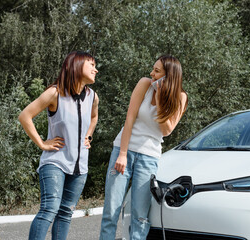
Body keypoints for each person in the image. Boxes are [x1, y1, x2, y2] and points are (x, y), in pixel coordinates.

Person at [99, 55, 188, 239]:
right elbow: (130, 118)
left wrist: (161, 96)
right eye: (153, 69)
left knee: (140, 216)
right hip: (124, 150)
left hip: (148, 158)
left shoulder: (180, 97)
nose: (151, 73)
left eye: (157, 71)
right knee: (111, 212)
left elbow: (166, 130)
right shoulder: (144, 84)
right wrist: (122, 154)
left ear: (169, 76)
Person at [18, 51, 99, 240]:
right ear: (77, 66)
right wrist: (42, 143)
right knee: (49, 209)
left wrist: (89, 135)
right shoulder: (55, 93)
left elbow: (93, 117)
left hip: (80, 167)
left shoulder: (92, 97)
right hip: (55, 162)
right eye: (92, 65)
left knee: (65, 214)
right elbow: (25, 116)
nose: (96, 70)